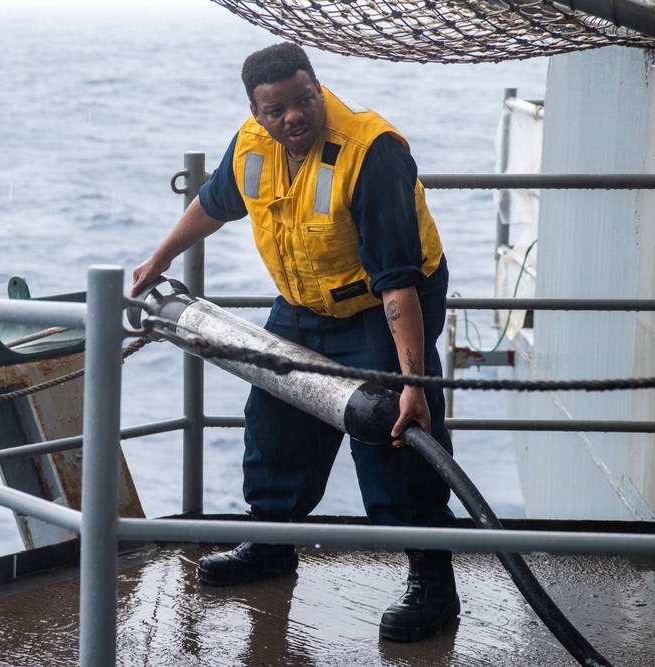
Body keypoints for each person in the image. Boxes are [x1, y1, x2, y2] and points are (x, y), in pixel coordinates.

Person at [130, 42, 458, 643]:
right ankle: (272, 546)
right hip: (303, 305)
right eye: (277, 110)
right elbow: (212, 202)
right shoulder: (253, 143)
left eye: (303, 101)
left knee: (393, 437)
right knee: (274, 422)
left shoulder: (372, 153)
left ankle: (432, 584)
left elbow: (399, 284)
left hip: (379, 309)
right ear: (257, 113)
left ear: (317, 86)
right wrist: (159, 258)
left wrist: (413, 383)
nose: (293, 118)